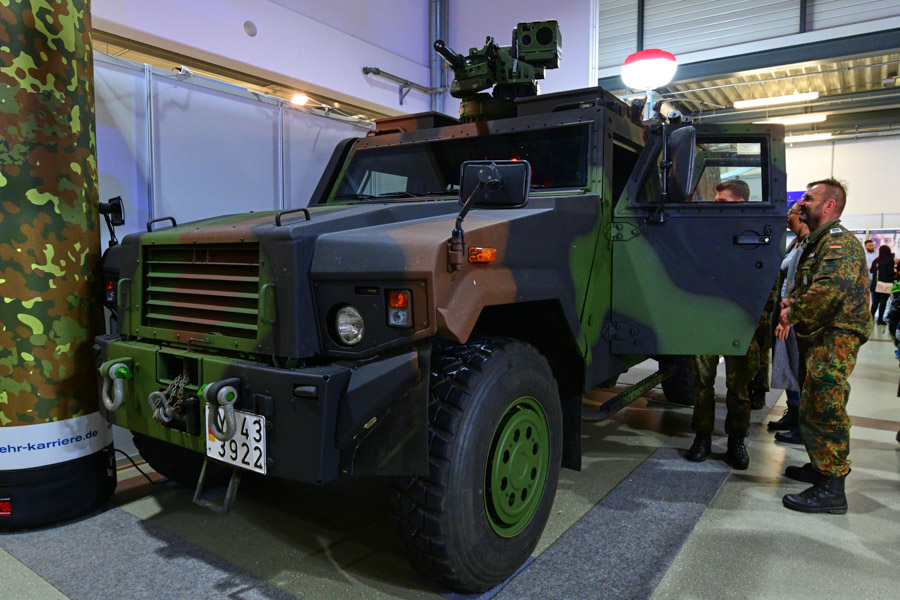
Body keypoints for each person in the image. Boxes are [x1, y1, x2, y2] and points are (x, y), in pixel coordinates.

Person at [776, 178, 872, 514]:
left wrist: (792, 312)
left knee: (826, 409)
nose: (801, 203)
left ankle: (832, 489)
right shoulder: (818, 242)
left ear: (829, 205)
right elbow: (810, 287)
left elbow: (827, 292)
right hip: (820, 335)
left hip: (836, 337)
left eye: (808, 198)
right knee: (813, 406)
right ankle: (820, 468)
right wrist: (793, 304)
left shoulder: (838, 244)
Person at [686, 179, 769, 469]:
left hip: (741, 323)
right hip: (707, 320)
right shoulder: (706, 233)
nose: (715, 206)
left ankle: (737, 440)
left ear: (740, 203)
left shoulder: (757, 234)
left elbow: (769, 278)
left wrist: (760, 315)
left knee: (739, 387)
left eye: (722, 202)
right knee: (702, 383)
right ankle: (702, 437)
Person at [767, 205, 810, 444]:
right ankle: (793, 414)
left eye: (790, 213)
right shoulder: (794, 244)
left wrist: (788, 317)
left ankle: (802, 424)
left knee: (796, 368)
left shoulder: (809, 245)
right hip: (783, 312)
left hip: (794, 316)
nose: (787, 217)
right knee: (787, 366)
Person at [870, 245, 895, 325]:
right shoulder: (890, 260)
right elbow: (890, 273)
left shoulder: (876, 260)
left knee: (875, 302)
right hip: (885, 285)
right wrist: (895, 272)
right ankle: (880, 319)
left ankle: (871, 318)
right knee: (883, 302)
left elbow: (871, 271)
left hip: (875, 284)